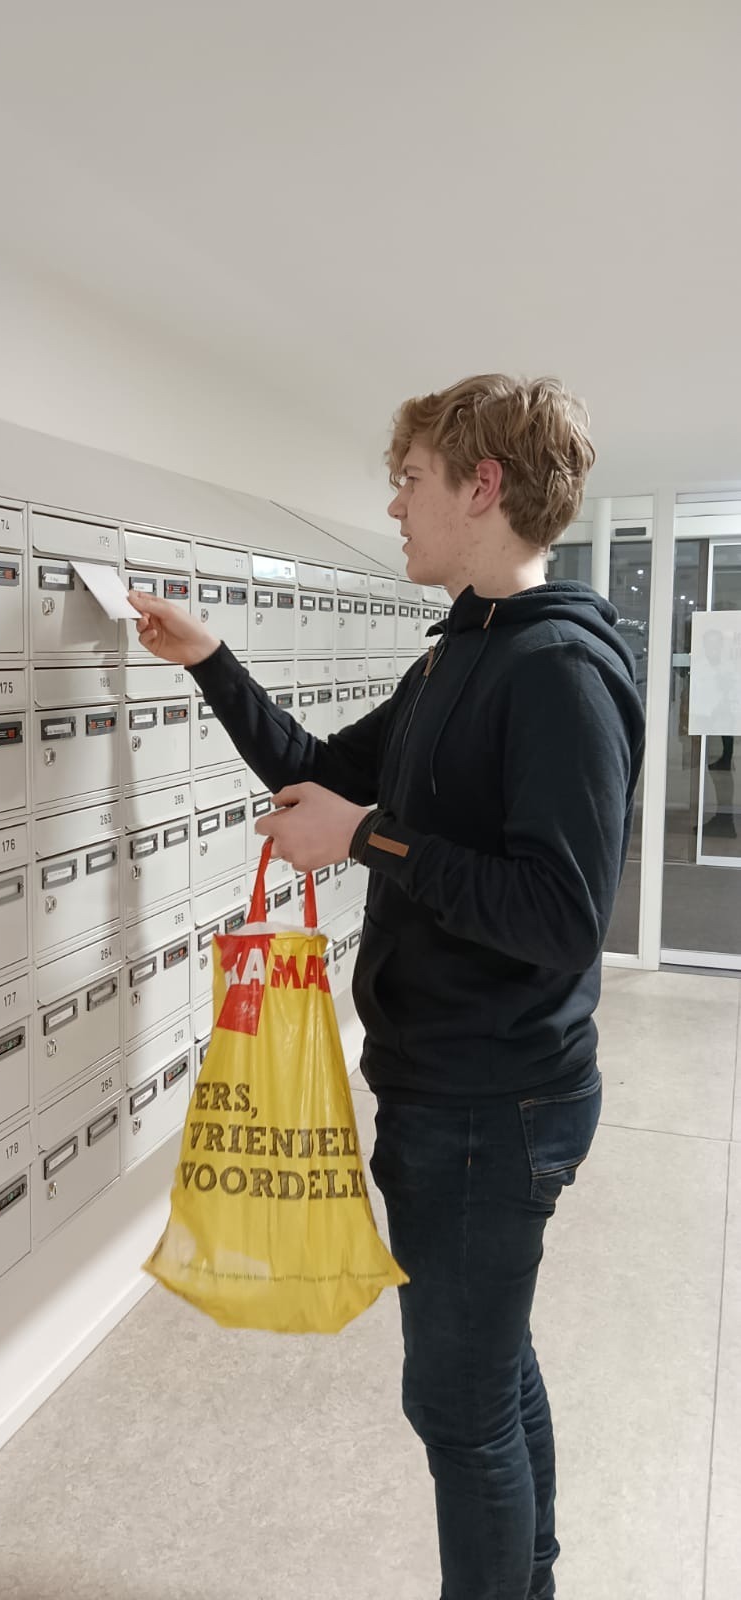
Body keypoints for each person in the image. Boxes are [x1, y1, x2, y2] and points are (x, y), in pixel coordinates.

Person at [129, 373, 646, 1600]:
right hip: (446, 1089)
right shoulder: (455, 656)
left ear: (483, 485)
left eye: (410, 478)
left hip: (492, 1100)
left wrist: (371, 842)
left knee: (457, 1407)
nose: (394, 503)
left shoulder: (553, 672)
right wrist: (211, 662)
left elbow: (560, 918)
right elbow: (320, 776)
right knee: (492, 1370)